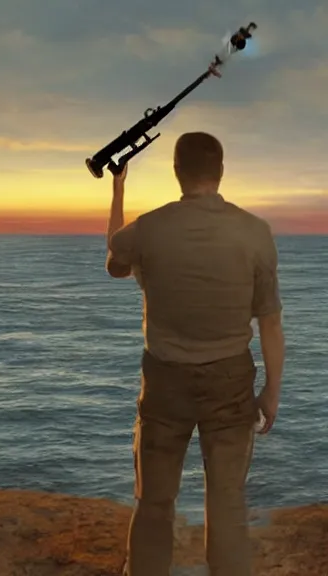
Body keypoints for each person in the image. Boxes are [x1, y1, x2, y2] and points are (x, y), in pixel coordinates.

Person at [106, 132, 284, 576]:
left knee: (153, 503)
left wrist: (118, 189)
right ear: (220, 172)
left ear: (176, 172)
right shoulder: (255, 232)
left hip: (165, 384)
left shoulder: (149, 227)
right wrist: (272, 392)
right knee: (227, 506)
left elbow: (114, 259)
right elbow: (270, 322)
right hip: (230, 382)